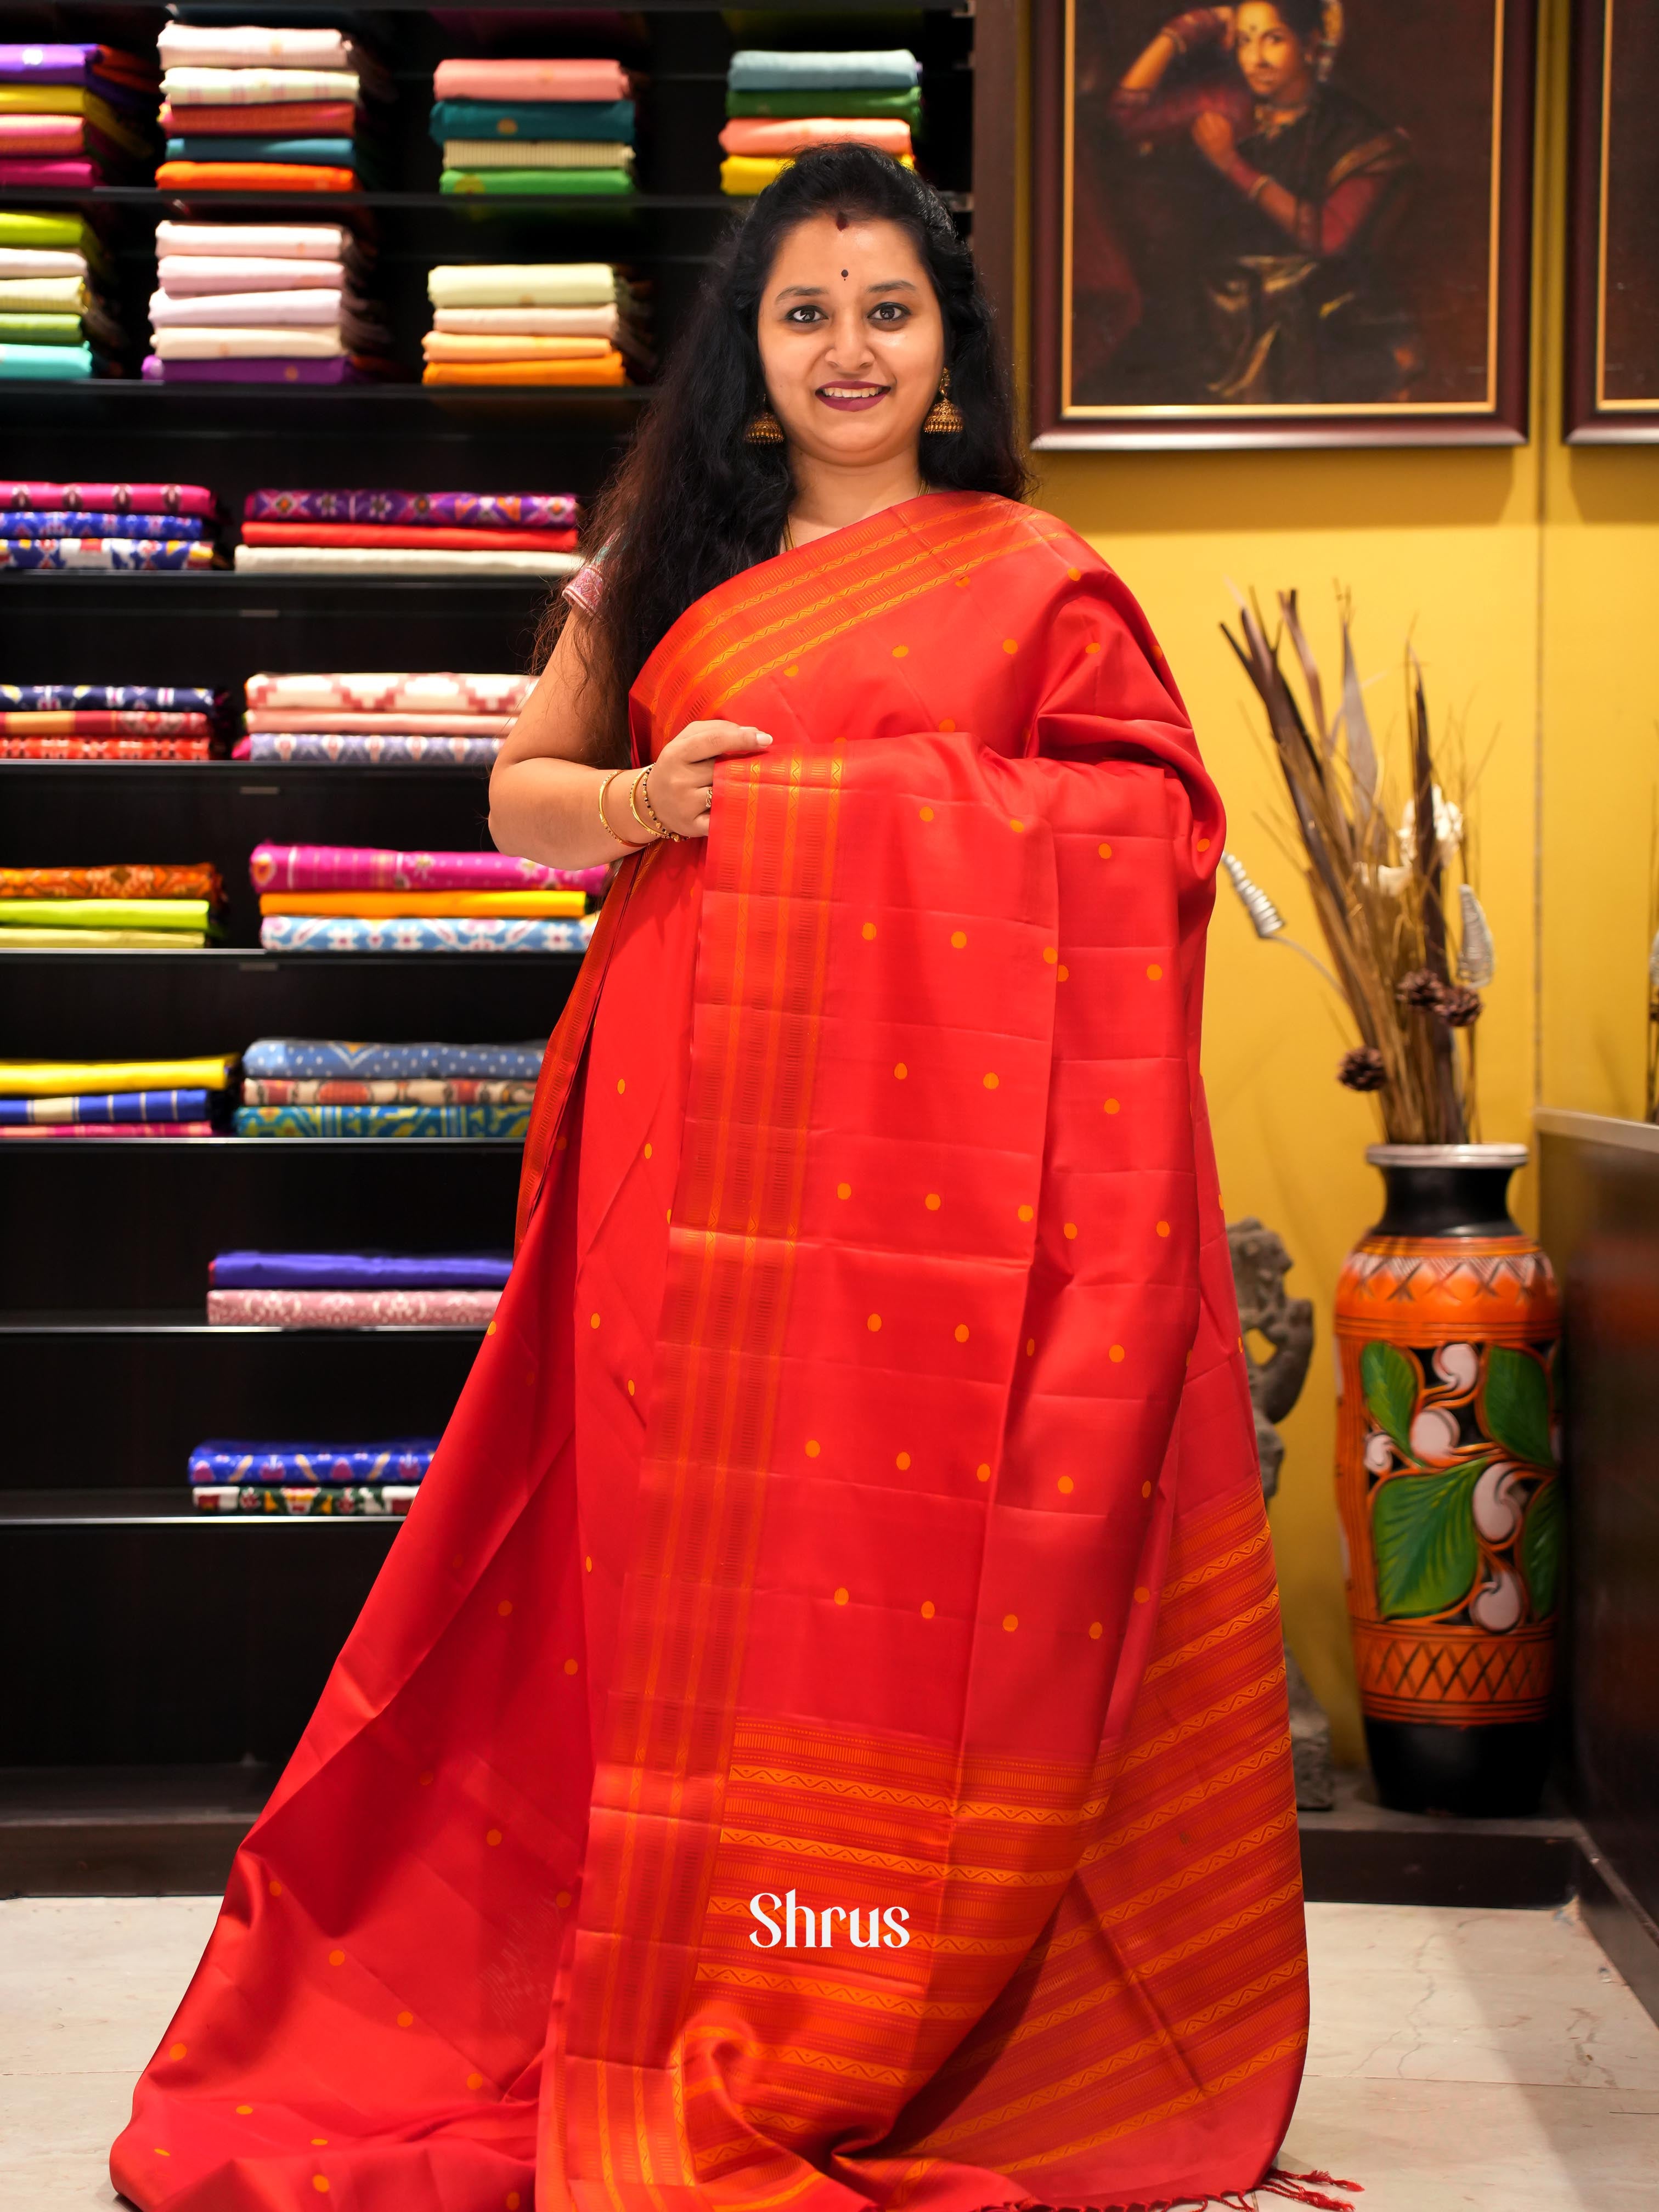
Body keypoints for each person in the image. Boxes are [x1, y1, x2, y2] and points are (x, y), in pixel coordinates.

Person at [112, 146, 1311, 2212]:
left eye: (886, 310)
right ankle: (658, 1952)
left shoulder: (1031, 569)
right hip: (685, 1141)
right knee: (662, 1560)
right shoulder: (657, 562)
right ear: (748, 360)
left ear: (945, 350)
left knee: (901, 1571)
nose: (847, 347)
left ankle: (864, 1980)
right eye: (801, 312)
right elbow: (521, 797)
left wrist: (852, 814)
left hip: (942, 1188)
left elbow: (1141, 829)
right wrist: (655, 796)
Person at [1084, 0, 1418, 404]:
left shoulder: (1357, 132)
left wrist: (1231, 164)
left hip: (1316, 320)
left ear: (1310, 44)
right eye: (1244, 42)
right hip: (1217, 317)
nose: (1255, 59)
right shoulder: (1230, 104)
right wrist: (1187, 28)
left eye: (1273, 40)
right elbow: (1123, 116)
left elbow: (1327, 237)